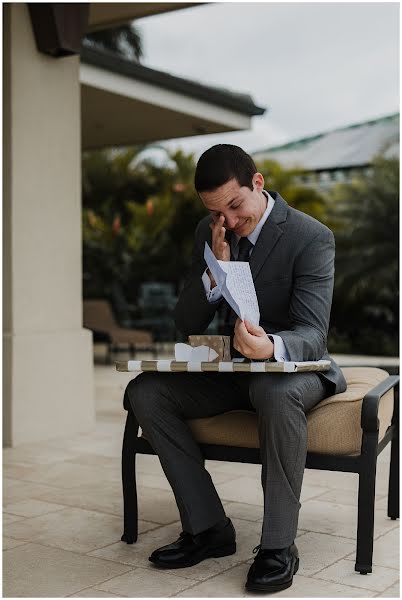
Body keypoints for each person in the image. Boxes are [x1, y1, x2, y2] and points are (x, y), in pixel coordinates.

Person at [125, 144, 346, 593]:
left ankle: (279, 546)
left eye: (235, 205)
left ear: (257, 183)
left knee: (274, 393)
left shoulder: (311, 236)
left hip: (293, 371)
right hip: (231, 371)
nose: (229, 219)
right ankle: (208, 529)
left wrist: (269, 347)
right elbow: (186, 323)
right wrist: (214, 269)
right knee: (146, 391)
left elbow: (313, 332)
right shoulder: (210, 232)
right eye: (215, 211)